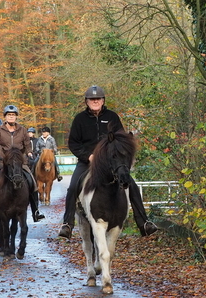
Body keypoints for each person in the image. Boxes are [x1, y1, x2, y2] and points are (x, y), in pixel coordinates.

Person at [58, 86, 158, 239]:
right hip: (88, 162)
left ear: (103, 100)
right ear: (86, 101)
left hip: (110, 163)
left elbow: (121, 139)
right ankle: (68, 224)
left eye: (98, 98)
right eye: (92, 99)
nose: (95, 101)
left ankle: (143, 223)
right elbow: (73, 143)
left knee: (131, 184)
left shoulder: (112, 117)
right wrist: (88, 156)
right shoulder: (80, 119)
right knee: (72, 187)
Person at [0, 105, 46, 222]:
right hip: (2, 162)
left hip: (19, 162)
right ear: (5, 117)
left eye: (13, 115)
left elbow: (27, 145)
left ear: (16, 117)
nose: (11, 117)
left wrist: (29, 153)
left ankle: (36, 211)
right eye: (9, 115)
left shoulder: (22, 130)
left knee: (32, 181)